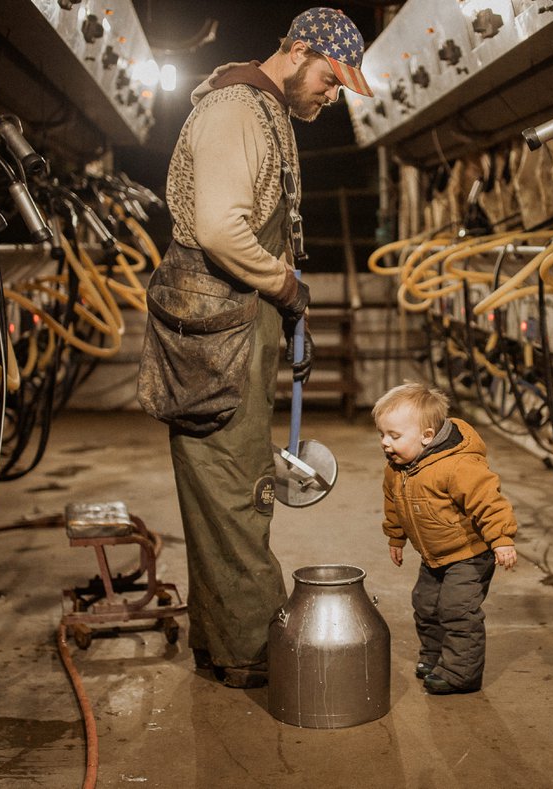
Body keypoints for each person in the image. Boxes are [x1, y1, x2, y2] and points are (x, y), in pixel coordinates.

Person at [137, 8, 372, 689]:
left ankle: (222, 642)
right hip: (217, 332)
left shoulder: (263, 111)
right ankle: (250, 647)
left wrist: (285, 312)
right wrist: (286, 286)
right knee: (240, 491)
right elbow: (218, 227)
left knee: (226, 490)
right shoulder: (237, 110)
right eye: (330, 80)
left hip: (237, 326)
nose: (332, 98)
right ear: (298, 51)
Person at [373, 382, 519, 694]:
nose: (385, 443)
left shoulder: (458, 465)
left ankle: (460, 673)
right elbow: (393, 505)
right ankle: (434, 657)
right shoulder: (397, 469)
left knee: (457, 610)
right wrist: (395, 538)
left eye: (394, 436)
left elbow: (488, 501)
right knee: (426, 605)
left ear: (426, 436)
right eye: (382, 434)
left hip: (470, 553)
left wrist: (502, 539)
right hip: (435, 555)